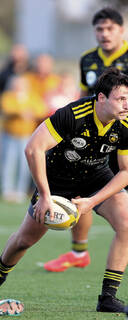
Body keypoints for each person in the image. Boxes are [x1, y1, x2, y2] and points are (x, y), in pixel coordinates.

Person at [0, 68, 128, 313]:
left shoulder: (125, 124)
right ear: (101, 98)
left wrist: (92, 201)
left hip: (95, 178)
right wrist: (45, 196)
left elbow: (126, 171)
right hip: (57, 180)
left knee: (127, 222)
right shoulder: (72, 114)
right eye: (121, 98)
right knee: (25, 240)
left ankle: (108, 298)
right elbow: (33, 149)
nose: (126, 104)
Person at [44, 7, 128, 273]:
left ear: (121, 30)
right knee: (83, 190)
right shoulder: (87, 59)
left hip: (123, 137)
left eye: (110, 28)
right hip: (95, 137)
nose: (104, 34)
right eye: (99, 29)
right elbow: (83, 96)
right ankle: (78, 252)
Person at [0, 75, 46, 202]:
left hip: (27, 136)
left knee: (24, 165)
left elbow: (41, 110)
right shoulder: (8, 96)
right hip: (9, 135)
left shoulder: (33, 96)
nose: (19, 86)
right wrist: (22, 111)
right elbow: (7, 108)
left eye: (21, 84)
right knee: (8, 163)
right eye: (16, 84)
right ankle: (7, 190)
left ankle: (21, 191)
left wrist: (29, 112)